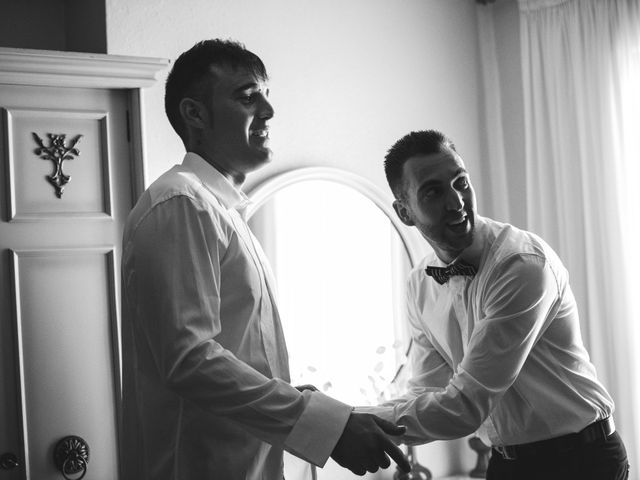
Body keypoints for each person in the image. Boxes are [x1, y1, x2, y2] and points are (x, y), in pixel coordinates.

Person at [119, 39, 410, 480]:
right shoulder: (182, 203)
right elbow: (190, 359)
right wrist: (328, 429)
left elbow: (238, 360)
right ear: (195, 114)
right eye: (248, 96)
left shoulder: (223, 212)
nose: (270, 112)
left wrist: (326, 413)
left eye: (267, 96)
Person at [359, 129, 630, 479]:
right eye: (433, 191)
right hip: (506, 462)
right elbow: (429, 389)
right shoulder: (419, 284)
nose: (457, 202)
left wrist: (348, 423)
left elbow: (466, 405)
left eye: (460, 182)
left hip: (581, 459)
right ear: (404, 211)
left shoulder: (521, 264)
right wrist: (349, 417)